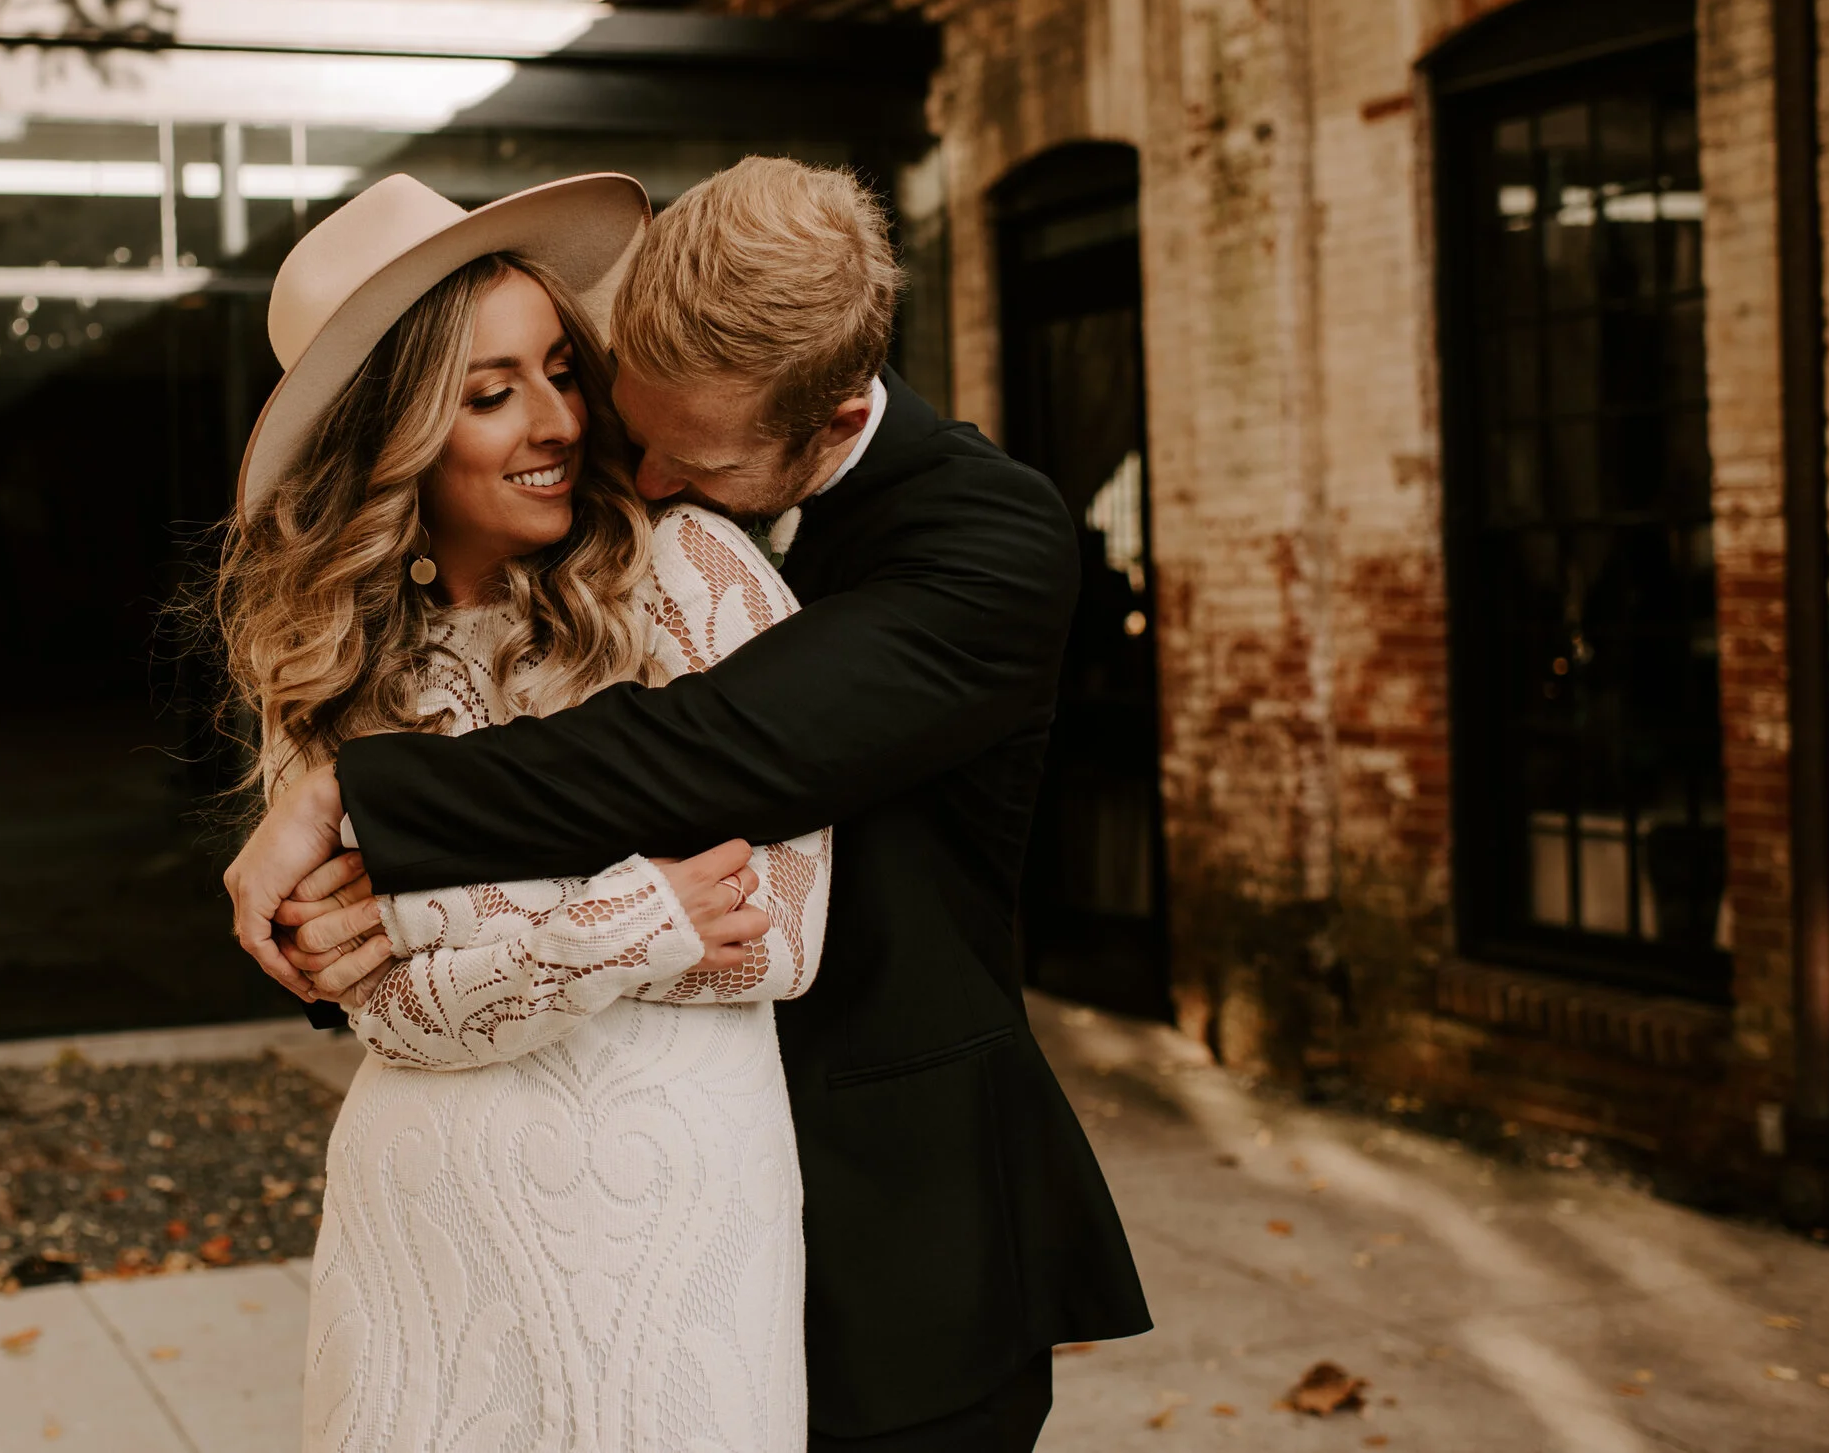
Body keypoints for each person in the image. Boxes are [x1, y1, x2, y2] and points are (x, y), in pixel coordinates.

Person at [232, 156, 1152, 1451]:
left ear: (832, 418)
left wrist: (360, 808)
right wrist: (362, 919)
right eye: (625, 414)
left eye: (690, 452)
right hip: (512, 1194)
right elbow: (385, 980)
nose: (639, 473)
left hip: (888, 1215)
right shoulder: (565, 540)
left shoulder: (986, 543)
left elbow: (706, 752)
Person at [218, 169, 835, 1451]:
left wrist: (451, 923)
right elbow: (379, 1006)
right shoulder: (330, 664)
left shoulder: (689, 572)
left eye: (561, 368)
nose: (557, 416)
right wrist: (640, 913)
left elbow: (777, 933)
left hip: (681, 1215)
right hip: (429, 1224)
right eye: (491, 394)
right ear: (391, 439)